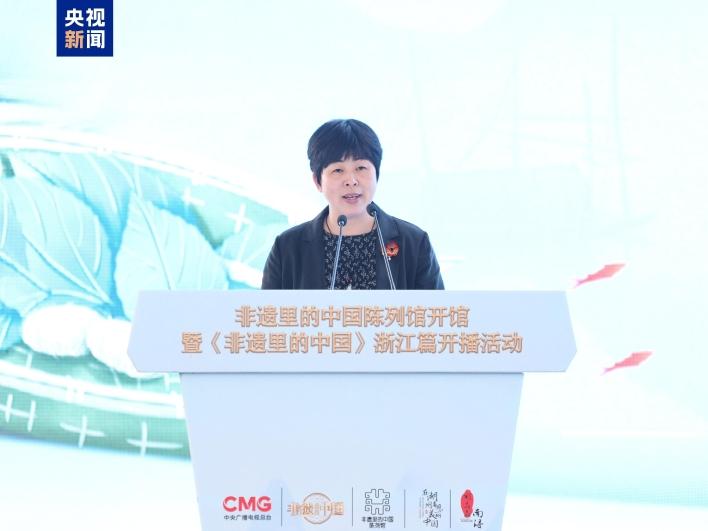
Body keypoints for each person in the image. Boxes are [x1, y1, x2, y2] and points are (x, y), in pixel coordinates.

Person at [261, 119, 444, 290]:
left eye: (361, 168)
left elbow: (436, 310)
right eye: (338, 170)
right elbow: (267, 311)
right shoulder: (287, 248)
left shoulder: (414, 243)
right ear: (318, 181)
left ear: (377, 174)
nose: (351, 181)